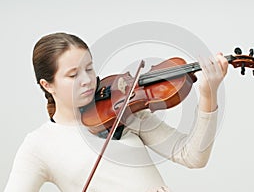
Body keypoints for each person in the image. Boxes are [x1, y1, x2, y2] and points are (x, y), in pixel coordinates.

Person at [4, 32, 228, 192]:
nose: (87, 81)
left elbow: (192, 157)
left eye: (89, 69)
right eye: (73, 75)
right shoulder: (38, 145)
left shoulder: (123, 110)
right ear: (47, 85)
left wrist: (209, 95)